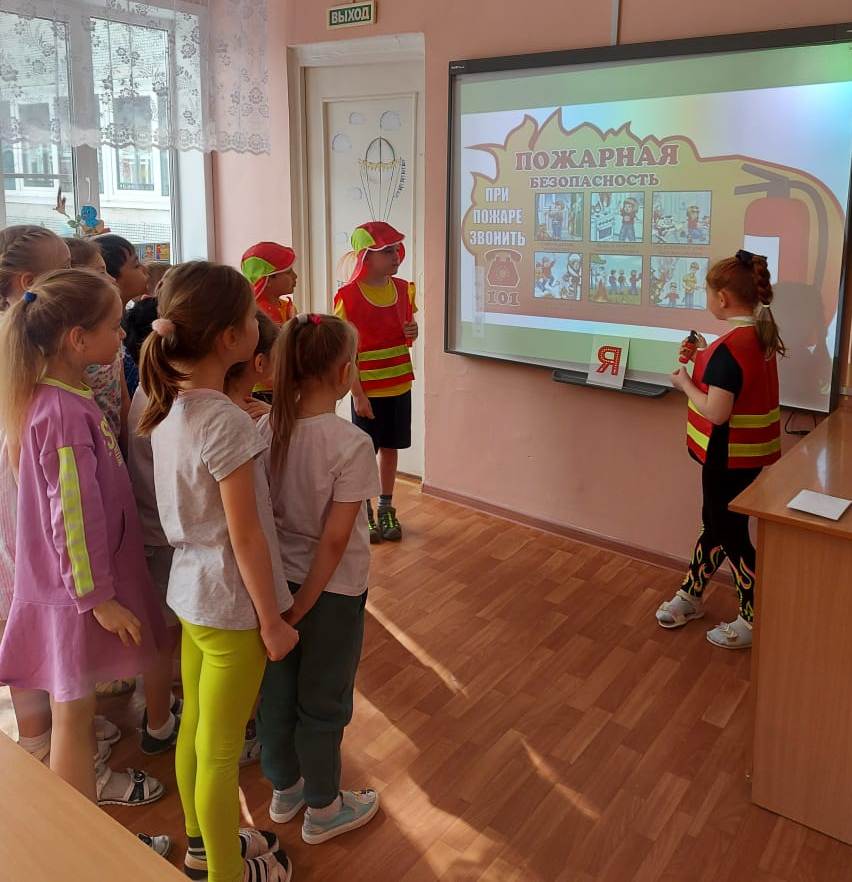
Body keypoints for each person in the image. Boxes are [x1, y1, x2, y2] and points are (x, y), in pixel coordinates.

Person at [138, 260, 298, 882]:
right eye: (251, 318)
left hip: (191, 594)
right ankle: (225, 872)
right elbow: (246, 534)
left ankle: (204, 847)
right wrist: (272, 620)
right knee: (221, 754)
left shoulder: (168, 406)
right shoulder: (225, 420)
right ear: (232, 338)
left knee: (197, 733)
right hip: (232, 606)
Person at [0, 267, 168, 808]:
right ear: (78, 339)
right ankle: (80, 830)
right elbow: (71, 515)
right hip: (73, 594)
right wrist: (97, 599)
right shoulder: (62, 412)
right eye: (114, 326)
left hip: (70, 588)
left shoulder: (63, 396)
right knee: (72, 713)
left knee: (76, 708)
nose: (122, 335)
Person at [257, 312, 380, 845]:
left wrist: (285, 607)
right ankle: (325, 807)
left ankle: (285, 789)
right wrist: (306, 603)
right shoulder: (350, 443)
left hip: (274, 589)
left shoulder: (265, 429)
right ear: (343, 372)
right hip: (329, 595)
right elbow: (334, 541)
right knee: (324, 701)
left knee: (276, 693)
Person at [657, 250, 784, 649]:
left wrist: (684, 383)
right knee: (714, 524)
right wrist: (704, 354)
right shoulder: (756, 336)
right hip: (744, 457)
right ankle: (691, 593)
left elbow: (716, 410)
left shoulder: (730, 350)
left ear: (723, 298)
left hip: (726, 458)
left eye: (708, 293)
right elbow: (735, 380)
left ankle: (755, 616)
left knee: (729, 533)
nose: (708, 299)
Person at [334, 222, 418, 544]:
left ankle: (386, 506)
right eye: (387, 251)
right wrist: (358, 395)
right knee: (366, 452)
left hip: (399, 384)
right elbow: (345, 353)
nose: (396, 255)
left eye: (396, 249)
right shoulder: (347, 297)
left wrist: (412, 331)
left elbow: (408, 331)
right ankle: (364, 509)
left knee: (391, 447)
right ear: (365, 257)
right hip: (367, 391)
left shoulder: (405, 289)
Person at [241, 242, 298, 325]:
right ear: (268, 280)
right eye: (289, 272)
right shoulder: (256, 314)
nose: (295, 276)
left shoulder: (288, 308)